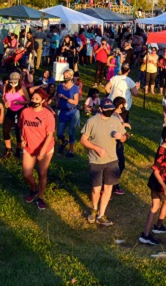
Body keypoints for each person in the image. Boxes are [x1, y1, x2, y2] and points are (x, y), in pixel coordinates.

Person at [80, 98, 127, 226]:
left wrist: (121, 137)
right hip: (96, 161)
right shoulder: (92, 121)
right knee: (96, 190)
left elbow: (124, 137)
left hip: (112, 160)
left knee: (108, 189)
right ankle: (94, 208)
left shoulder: (115, 120)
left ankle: (101, 215)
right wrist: (96, 149)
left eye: (111, 110)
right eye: (107, 110)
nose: (109, 112)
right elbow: (83, 140)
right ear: (100, 109)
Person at [139, 125, 166, 245]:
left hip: (156, 183)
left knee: (155, 207)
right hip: (160, 184)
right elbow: (155, 170)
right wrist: (165, 187)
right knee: (164, 203)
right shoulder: (162, 152)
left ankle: (147, 233)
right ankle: (157, 226)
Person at [19, 90, 56, 210]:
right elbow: (20, 127)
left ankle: (40, 197)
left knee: (42, 173)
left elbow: (50, 135)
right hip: (29, 147)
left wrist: (42, 151)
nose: (34, 101)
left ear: (43, 101)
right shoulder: (25, 112)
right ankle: (34, 189)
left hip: (45, 147)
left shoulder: (48, 114)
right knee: (26, 174)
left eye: (37, 99)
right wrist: (21, 138)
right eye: (33, 98)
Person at [1, 71, 29, 159]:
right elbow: (3, 97)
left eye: (15, 82)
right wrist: (5, 102)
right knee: (5, 129)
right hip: (10, 110)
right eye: (11, 82)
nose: (13, 84)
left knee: (18, 130)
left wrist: (20, 102)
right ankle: (8, 149)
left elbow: (28, 101)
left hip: (20, 110)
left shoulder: (22, 89)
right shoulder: (6, 87)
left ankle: (18, 149)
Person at [56, 69, 81, 158]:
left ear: (71, 76)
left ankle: (71, 150)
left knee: (71, 131)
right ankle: (64, 141)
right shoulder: (59, 86)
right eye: (64, 75)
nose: (65, 77)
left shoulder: (75, 88)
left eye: (67, 75)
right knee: (59, 133)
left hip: (73, 111)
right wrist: (57, 102)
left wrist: (65, 97)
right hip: (63, 111)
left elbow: (76, 102)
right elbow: (57, 96)